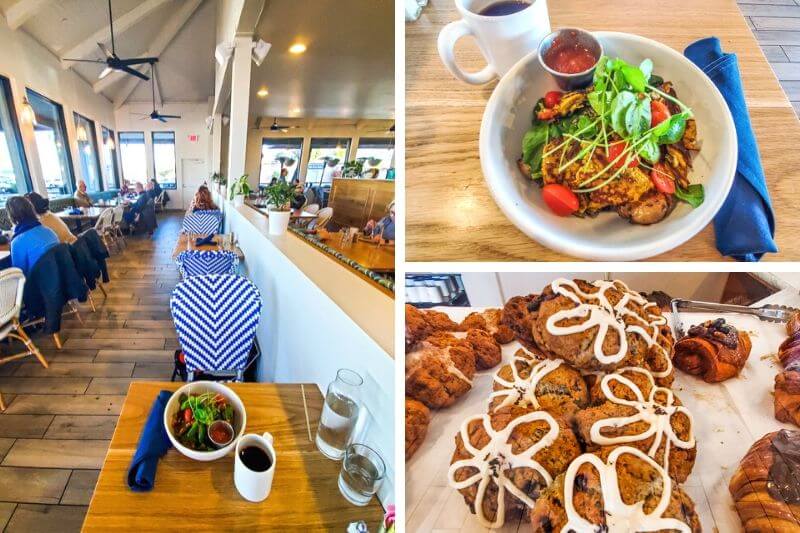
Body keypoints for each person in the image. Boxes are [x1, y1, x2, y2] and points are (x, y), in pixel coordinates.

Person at [7, 196, 59, 276]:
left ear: (12, 216)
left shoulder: (17, 242)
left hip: (38, 285)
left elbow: (19, 274)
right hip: (60, 279)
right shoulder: (49, 231)